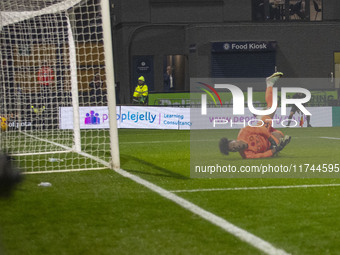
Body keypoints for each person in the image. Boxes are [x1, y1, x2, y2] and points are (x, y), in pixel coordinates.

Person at [219, 72, 291, 159]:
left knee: (272, 106)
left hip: (264, 129)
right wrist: (275, 150)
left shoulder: (244, 132)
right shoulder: (247, 155)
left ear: (234, 140)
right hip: (268, 145)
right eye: (234, 149)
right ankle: (259, 116)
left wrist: (271, 140)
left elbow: (261, 130)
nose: (236, 147)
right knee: (280, 135)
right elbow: (262, 155)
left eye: (234, 144)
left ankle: (269, 83)